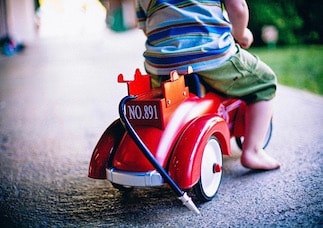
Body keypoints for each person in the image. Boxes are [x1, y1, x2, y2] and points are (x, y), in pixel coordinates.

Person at [136, 0, 280, 170]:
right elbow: (238, 7)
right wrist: (241, 34)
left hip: (161, 64)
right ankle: (253, 151)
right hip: (210, 54)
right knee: (265, 81)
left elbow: (145, 25)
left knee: (166, 100)